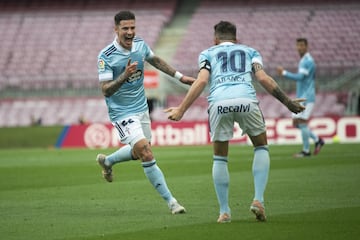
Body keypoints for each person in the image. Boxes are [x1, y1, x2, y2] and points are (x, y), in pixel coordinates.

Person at [165, 21, 305, 223]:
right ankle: (258, 200)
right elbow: (263, 78)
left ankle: (224, 212)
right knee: (261, 147)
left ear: (215, 39)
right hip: (246, 100)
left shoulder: (207, 53)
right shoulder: (250, 51)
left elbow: (202, 81)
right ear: (236, 38)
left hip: (219, 102)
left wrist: (181, 109)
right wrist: (288, 102)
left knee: (220, 158)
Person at [96, 10, 194, 214]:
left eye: (132, 27)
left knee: (140, 151)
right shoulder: (106, 56)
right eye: (125, 28)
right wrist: (124, 76)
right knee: (146, 153)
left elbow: (155, 59)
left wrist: (179, 76)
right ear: (116, 29)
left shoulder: (140, 44)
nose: (130, 32)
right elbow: (105, 90)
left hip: (141, 108)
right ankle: (172, 202)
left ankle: (108, 161)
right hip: (122, 113)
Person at [277, 38, 324, 158]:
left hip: (307, 97)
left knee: (302, 122)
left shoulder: (307, 61)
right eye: (298, 45)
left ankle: (306, 151)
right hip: (302, 96)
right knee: (296, 123)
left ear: (307, 46)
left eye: (302, 45)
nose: (299, 47)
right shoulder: (304, 60)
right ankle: (317, 140)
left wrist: (284, 73)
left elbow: (300, 77)